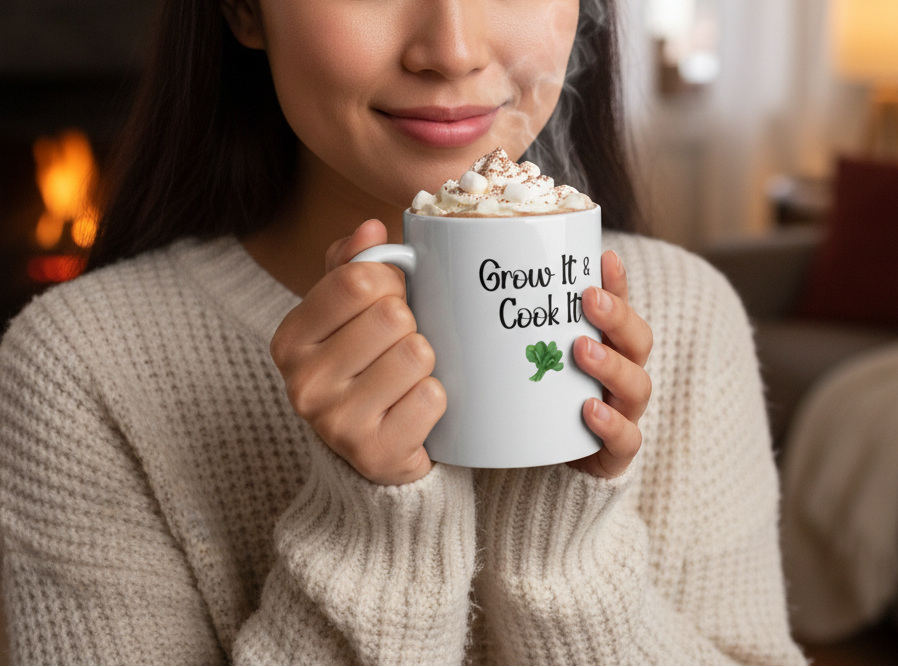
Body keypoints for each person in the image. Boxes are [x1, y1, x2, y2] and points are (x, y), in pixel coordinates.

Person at [0, 0, 805, 663]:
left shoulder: (689, 313)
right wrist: (372, 532)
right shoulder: (82, 365)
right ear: (244, 11)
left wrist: (564, 553)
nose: (451, 50)